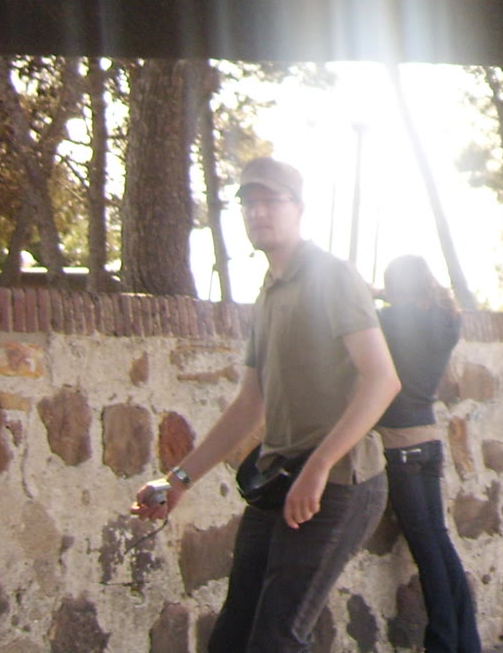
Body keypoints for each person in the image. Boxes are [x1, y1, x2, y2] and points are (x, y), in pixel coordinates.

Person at [132, 156, 402, 653]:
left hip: (339, 483)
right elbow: (249, 403)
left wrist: (319, 465)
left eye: (270, 200)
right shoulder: (270, 290)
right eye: (248, 202)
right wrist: (178, 480)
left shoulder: (332, 276)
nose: (258, 212)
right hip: (278, 478)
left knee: (275, 639)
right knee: (233, 636)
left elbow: (383, 380)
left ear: (298, 208)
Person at [377, 255, 481, 653]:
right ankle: (465, 641)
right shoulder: (445, 320)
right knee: (438, 540)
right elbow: (405, 305)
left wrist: (372, 293)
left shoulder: (390, 322)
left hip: (399, 442)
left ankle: (442, 641)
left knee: (427, 550)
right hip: (428, 438)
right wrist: (383, 291)